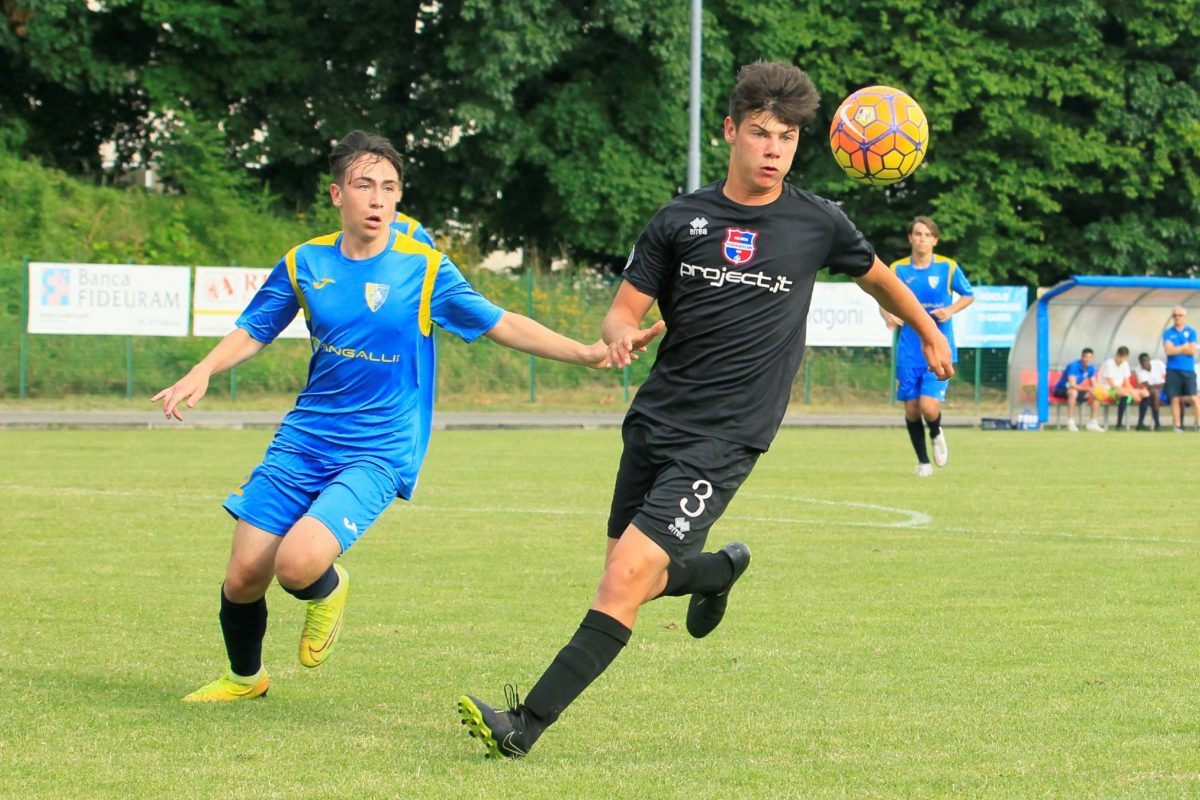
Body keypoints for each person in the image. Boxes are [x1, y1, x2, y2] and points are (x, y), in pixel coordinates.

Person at [457, 61, 953, 759]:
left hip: (727, 436)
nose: (773, 148)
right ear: (731, 131)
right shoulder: (679, 221)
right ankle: (717, 571)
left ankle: (524, 725)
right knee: (631, 577)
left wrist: (929, 330)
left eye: (785, 136)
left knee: (625, 580)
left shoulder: (818, 223)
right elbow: (621, 315)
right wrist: (619, 336)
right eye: (759, 133)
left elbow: (881, 280)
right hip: (657, 421)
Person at [152, 130, 663, 703]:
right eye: (363, 185)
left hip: (378, 448)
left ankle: (327, 586)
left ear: (399, 197)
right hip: (304, 440)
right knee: (244, 575)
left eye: (388, 187)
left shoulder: (422, 268)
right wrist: (202, 371)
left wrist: (586, 353)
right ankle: (246, 679)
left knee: (297, 566)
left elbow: (501, 322)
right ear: (336, 194)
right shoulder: (305, 262)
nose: (376, 198)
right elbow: (255, 328)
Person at [880, 216, 974, 477]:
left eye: (927, 235)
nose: (922, 239)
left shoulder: (948, 267)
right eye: (917, 234)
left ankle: (935, 431)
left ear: (935, 240)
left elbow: (969, 294)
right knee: (911, 409)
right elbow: (882, 297)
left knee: (928, 407)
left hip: (939, 346)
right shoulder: (898, 269)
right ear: (910, 238)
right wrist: (887, 314)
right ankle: (923, 462)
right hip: (909, 348)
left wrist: (951, 309)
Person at [1162, 306, 1199, 432]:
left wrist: (1176, 348)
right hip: (1173, 369)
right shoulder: (1168, 332)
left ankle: (1198, 424)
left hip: (1188, 369)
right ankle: (1177, 426)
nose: (1177, 318)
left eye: (1180, 315)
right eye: (1175, 315)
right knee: (1175, 398)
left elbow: (1192, 350)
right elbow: (1168, 350)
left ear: (1184, 317)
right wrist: (1183, 347)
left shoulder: (1191, 331)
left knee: (1194, 397)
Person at [1095, 345, 1147, 429]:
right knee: (1125, 394)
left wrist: (1134, 392)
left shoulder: (1125, 364)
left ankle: (1140, 423)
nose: (1122, 359)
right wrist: (1129, 392)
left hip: (1119, 391)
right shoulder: (1109, 364)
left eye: (1124, 357)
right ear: (1117, 354)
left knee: (1145, 393)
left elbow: (1127, 383)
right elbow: (1112, 385)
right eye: (1121, 356)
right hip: (1106, 390)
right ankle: (1119, 424)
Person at [1053, 348, 1104, 432]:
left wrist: (1099, 391)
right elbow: (1072, 385)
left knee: (1096, 394)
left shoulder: (1091, 367)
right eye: (1085, 357)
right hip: (1061, 390)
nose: (1087, 359)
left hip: (1076, 390)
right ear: (1081, 357)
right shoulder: (1073, 366)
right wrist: (1088, 388)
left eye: (1090, 357)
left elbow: (1094, 384)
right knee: (1073, 392)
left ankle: (1092, 423)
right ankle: (1070, 422)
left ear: (1092, 358)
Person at [1132, 352, 1166, 430]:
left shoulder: (1159, 364)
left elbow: (1169, 378)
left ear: (1149, 360)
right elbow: (1148, 386)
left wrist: (1162, 386)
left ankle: (1141, 424)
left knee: (1152, 395)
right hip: (1150, 392)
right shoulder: (1138, 369)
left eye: (1145, 361)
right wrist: (1161, 385)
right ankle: (1157, 424)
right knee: (1150, 395)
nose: (1144, 363)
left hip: (1164, 390)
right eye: (1142, 362)